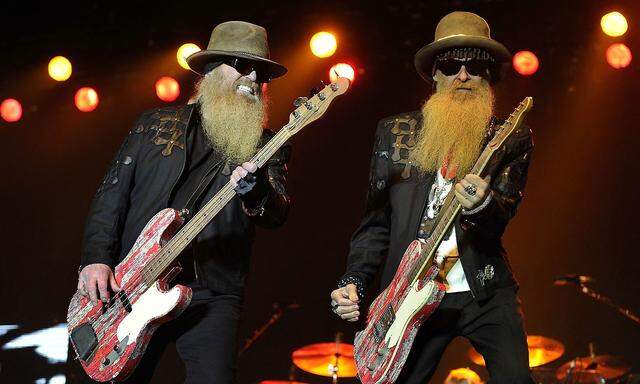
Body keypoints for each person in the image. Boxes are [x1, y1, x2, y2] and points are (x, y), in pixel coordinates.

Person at [72, 21, 290, 383]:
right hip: (134, 283)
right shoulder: (154, 123)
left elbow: (277, 212)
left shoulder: (266, 145)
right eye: (240, 64)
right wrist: (95, 258)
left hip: (213, 292)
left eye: (260, 72)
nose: (252, 78)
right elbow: (111, 194)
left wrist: (255, 190)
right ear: (209, 69)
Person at [330, 11, 534, 384]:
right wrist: (355, 279)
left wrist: (484, 205)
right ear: (435, 74)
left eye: (475, 66)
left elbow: (504, 211)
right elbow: (376, 222)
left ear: (488, 76)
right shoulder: (395, 133)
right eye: (451, 64)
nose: (463, 75)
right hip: (411, 291)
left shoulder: (510, 138)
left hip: (482, 288)